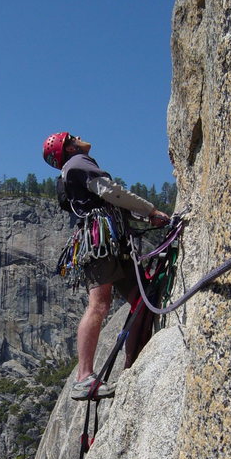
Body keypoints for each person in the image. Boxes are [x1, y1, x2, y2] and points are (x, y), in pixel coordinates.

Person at [43, 132, 170, 400]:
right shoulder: (78, 163)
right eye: (73, 137)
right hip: (100, 241)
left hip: (112, 242)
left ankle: (133, 365)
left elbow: (111, 202)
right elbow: (112, 193)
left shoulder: (73, 170)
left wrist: (146, 218)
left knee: (142, 299)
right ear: (69, 147)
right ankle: (83, 377)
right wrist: (150, 211)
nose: (79, 137)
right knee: (99, 304)